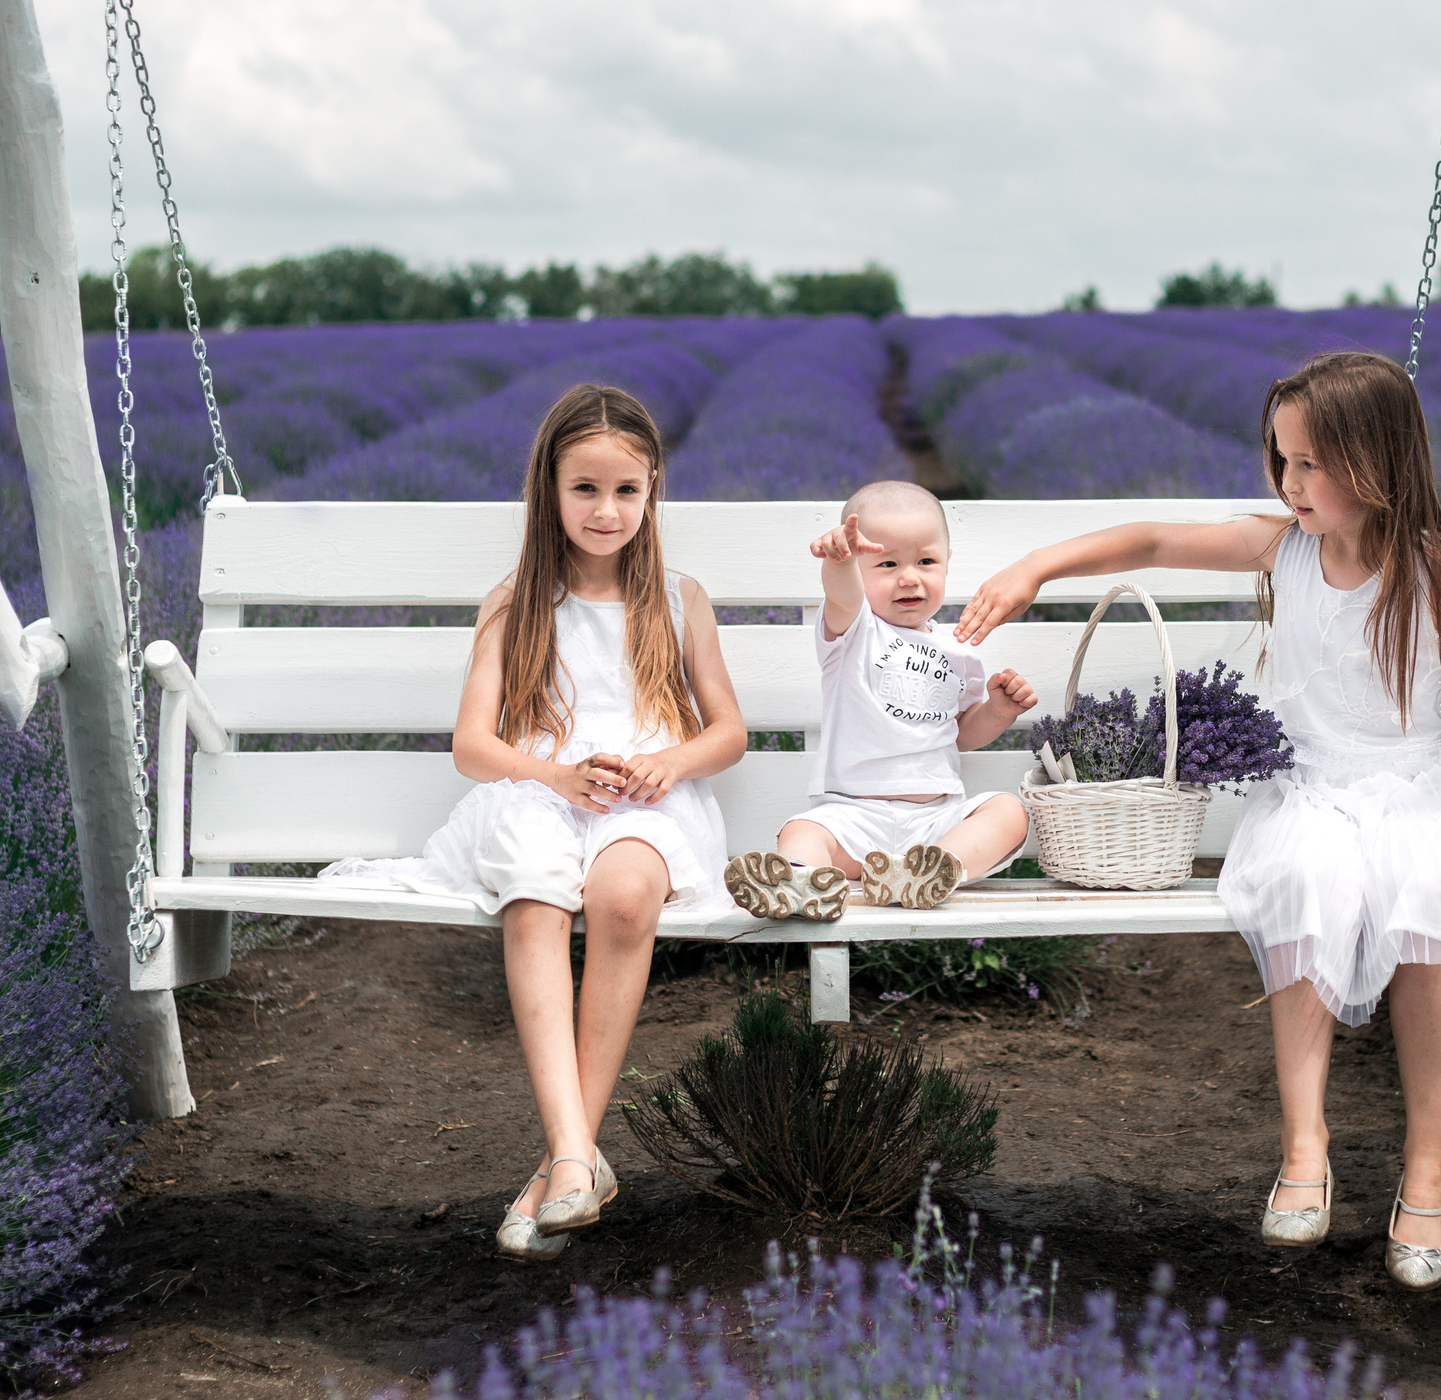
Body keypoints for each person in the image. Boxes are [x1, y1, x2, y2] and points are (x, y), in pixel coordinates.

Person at [952, 352, 1441, 1291]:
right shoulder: (1281, 549)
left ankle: (1429, 1162)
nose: (1291, 484)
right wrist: (1035, 567)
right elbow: (1147, 541)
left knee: (1426, 894)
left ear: (1378, 461)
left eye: (1312, 464)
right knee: (1305, 878)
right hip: (1310, 785)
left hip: (1415, 782)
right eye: (1282, 461)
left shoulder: (1437, 570)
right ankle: (1306, 1144)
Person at [316, 383, 747, 1262]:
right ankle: (576, 1155)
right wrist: (553, 771)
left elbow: (729, 731)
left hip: (649, 800)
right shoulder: (517, 600)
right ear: (548, 490)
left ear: (654, 488)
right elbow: (474, 745)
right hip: (542, 790)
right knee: (537, 886)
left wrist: (671, 761)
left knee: (627, 897)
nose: (606, 508)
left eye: (626, 489)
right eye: (584, 488)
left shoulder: (678, 597)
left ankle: (564, 1163)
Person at [722, 480, 1037, 922]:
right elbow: (842, 594)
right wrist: (839, 563)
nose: (910, 576)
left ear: (948, 564)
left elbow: (961, 734)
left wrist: (999, 710)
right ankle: (797, 881)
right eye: (887, 563)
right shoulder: (854, 632)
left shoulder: (961, 651)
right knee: (804, 830)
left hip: (936, 820)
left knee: (1008, 811)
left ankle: (927, 872)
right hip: (853, 816)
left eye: (926, 561)